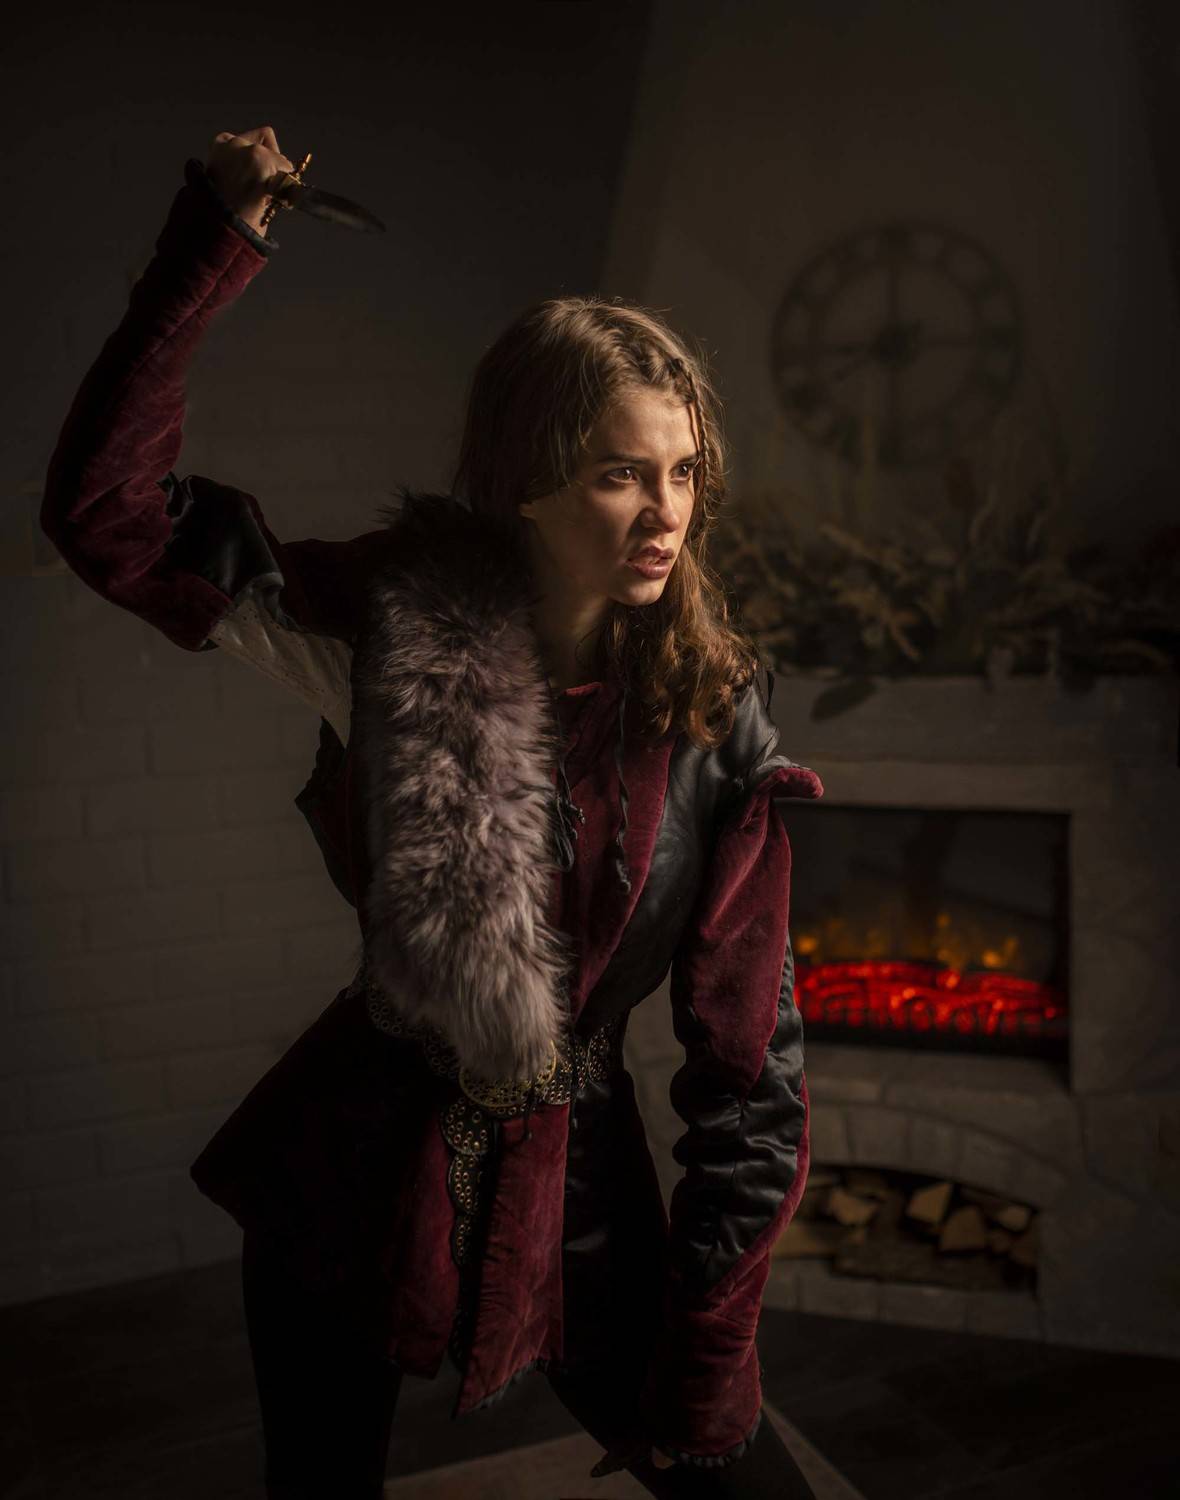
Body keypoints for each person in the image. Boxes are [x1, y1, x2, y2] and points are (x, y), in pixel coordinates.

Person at [42, 125, 825, 1500]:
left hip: (580, 1187)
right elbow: (110, 516)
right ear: (525, 474)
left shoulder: (712, 722)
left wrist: (710, 1346)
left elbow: (753, 1077)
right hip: (348, 1166)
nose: (666, 513)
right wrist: (213, 244)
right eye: (621, 472)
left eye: (686, 471)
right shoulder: (388, 629)